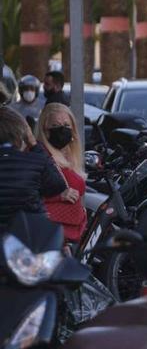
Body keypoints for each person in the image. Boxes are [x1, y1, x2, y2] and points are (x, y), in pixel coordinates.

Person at [0, 106, 67, 228]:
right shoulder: (36, 161)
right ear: (21, 133)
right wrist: (34, 143)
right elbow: (58, 185)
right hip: (29, 236)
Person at [35, 103, 86, 247]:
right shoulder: (40, 156)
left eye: (66, 125)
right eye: (56, 125)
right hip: (52, 234)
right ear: (45, 129)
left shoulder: (70, 155)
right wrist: (59, 196)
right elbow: (26, 193)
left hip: (72, 233)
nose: (62, 129)